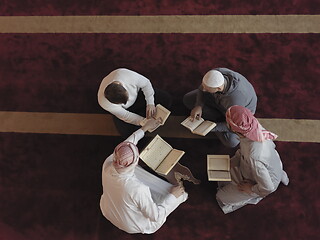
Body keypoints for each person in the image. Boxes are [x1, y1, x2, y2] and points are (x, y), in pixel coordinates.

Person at [100, 118, 188, 234]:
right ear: (135, 161)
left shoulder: (109, 162)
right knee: (182, 195)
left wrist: (144, 128)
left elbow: (127, 144)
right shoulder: (137, 189)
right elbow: (155, 216)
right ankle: (180, 195)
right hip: (132, 225)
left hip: (107, 209)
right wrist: (172, 196)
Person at [216, 105, 289, 214]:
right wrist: (234, 161)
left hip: (263, 181)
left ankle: (249, 197)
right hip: (266, 164)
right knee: (220, 172)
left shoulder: (254, 156)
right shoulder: (253, 126)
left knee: (221, 196)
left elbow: (268, 187)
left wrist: (251, 189)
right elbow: (244, 150)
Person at [183, 68, 257, 147]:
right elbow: (201, 89)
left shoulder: (235, 100)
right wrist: (198, 105)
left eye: (206, 88)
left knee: (231, 142)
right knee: (187, 99)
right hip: (219, 101)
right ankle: (215, 117)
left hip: (237, 116)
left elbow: (235, 125)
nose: (203, 90)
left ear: (218, 88)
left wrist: (211, 127)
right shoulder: (215, 73)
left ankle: (216, 119)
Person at [98, 68, 172, 137]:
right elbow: (126, 115)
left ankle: (145, 113)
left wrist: (150, 103)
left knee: (166, 98)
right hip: (126, 110)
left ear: (120, 85)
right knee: (127, 133)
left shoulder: (125, 74)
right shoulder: (104, 103)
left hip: (138, 95)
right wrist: (145, 122)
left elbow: (146, 83)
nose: (127, 101)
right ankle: (144, 115)